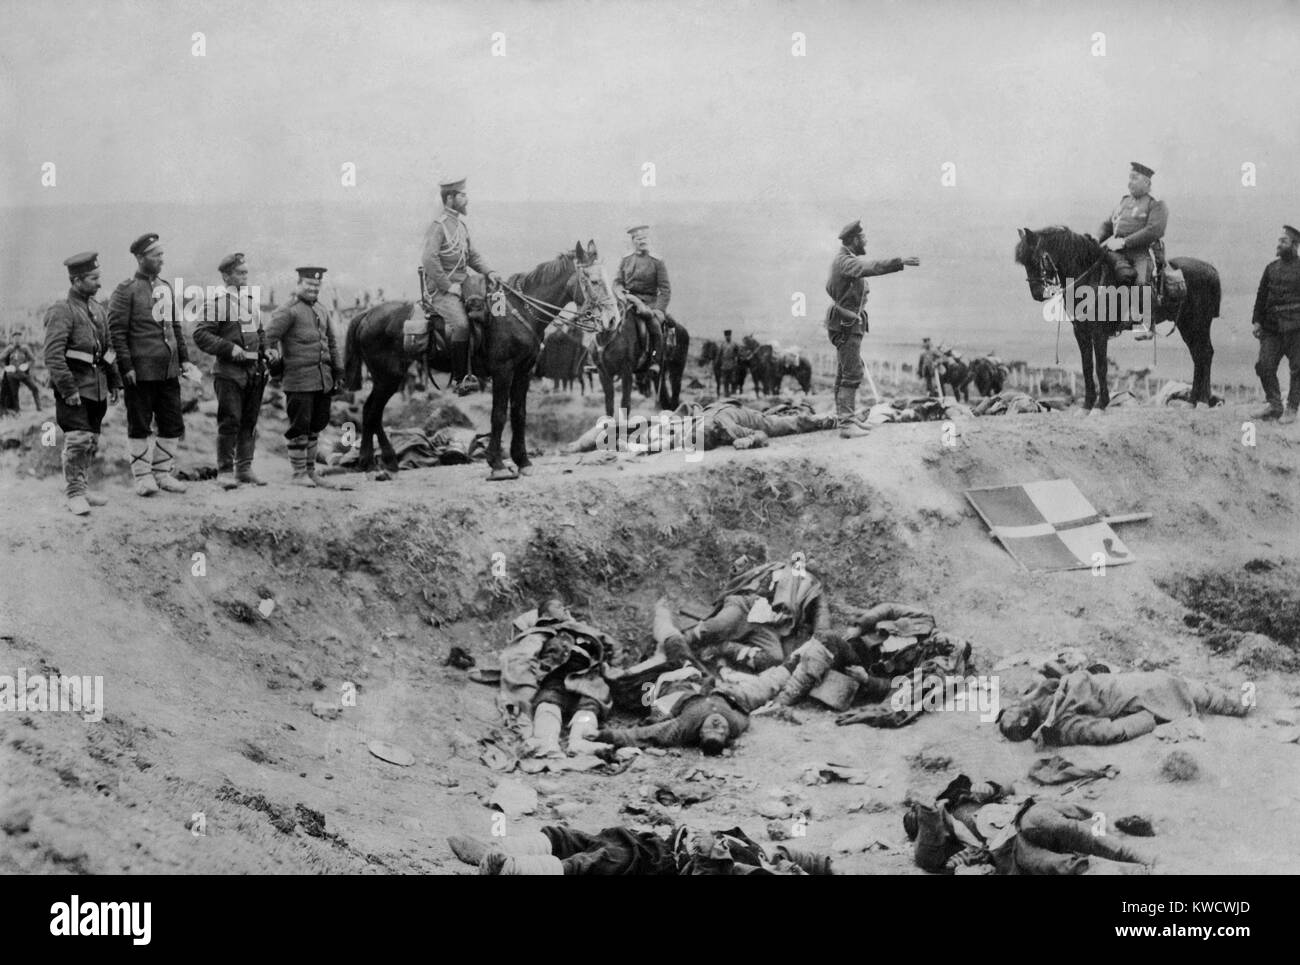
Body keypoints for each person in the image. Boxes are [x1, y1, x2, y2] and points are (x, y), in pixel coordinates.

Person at [904, 774, 1150, 875]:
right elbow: (927, 855)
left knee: (1061, 828)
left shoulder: (963, 798)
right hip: (1010, 848)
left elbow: (1010, 786)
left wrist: (991, 787)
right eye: (918, 822)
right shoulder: (945, 846)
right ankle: (1127, 870)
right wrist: (928, 816)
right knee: (1053, 864)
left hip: (1026, 815)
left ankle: (1138, 857)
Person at [108, 233, 201, 496]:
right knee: (139, 424)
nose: (161, 259)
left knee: (172, 424)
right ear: (140, 258)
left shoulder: (166, 287)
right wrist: (126, 367)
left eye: (162, 254)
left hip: (168, 371)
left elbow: (175, 327)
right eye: (156, 255)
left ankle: (162, 474)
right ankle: (142, 478)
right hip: (140, 373)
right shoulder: (125, 291)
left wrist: (184, 361)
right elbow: (117, 333)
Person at [42, 252, 121, 515]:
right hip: (74, 388)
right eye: (93, 278)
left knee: (91, 440)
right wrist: (68, 389)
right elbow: (53, 355)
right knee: (77, 439)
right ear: (76, 281)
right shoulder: (61, 310)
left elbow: (108, 350)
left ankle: (84, 488)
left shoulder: (98, 310)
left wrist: (115, 381)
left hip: (96, 388)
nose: (99, 283)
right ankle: (74, 493)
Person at [825, 220, 920, 438]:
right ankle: (847, 425)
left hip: (847, 322)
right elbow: (869, 267)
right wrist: (899, 262)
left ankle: (846, 420)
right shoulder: (846, 261)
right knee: (851, 372)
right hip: (846, 324)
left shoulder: (845, 260)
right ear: (855, 240)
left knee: (845, 371)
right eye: (863, 238)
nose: (866, 241)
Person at [448, 823, 831, 875]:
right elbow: (813, 860)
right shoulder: (765, 853)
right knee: (576, 838)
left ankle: (514, 869)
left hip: (665, 868)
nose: (794, 871)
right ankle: (496, 848)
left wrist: (711, 853)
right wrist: (826, 866)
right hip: (661, 843)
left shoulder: (752, 873)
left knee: (602, 860)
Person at [998, 667, 1250, 746]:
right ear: (1023, 721)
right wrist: (1148, 718)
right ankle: (1240, 705)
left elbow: (1047, 682)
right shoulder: (1062, 725)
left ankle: (1230, 697)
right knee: (1178, 689)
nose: (1012, 707)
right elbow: (1109, 732)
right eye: (1012, 713)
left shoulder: (1032, 702)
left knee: (1174, 683)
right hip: (1129, 695)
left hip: (1115, 681)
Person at [497, 599, 622, 757]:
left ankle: (579, 742)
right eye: (557, 606)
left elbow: (611, 645)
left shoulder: (584, 630)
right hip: (557, 674)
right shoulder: (542, 632)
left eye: (564, 606)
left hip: (588, 676)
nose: (564, 608)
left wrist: (612, 668)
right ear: (544, 613)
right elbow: (522, 658)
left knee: (590, 704)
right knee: (549, 700)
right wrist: (524, 691)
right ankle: (546, 741)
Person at [663, 556, 827, 672]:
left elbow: (822, 617)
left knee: (774, 659)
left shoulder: (813, 591)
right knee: (720, 625)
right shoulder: (782, 570)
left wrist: (822, 639)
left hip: (767, 625)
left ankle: (723, 647)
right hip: (745, 606)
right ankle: (677, 645)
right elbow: (748, 580)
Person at [194, 253, 273, 488]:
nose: (244, 277)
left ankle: (244, 469)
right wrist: (229, 348)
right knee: (230, 421)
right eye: (240, 273)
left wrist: (267, 350)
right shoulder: (216, 304)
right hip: (229, 373)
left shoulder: (250, 302)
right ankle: (226, 471)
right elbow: (200, 334)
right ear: (226, 276)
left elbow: (260, 333)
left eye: (246, 272)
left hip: (253, 371)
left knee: (250, 421)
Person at [265, 267, 345, 487]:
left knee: (316, 425)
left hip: (322, 379)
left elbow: (332, 343)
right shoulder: (288, 310)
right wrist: (274, 362)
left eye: (317, 285)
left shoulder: (321, 309)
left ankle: (311, 472)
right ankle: (298, 473)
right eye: (309, 285)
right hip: (299, 380)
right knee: (299, 426)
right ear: (299, 284)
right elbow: (267, 338)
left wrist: (338, 371)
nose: (313, 289)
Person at [421, 178, 502, 393]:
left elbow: (472, 255)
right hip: (441, 289)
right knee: (462, 325)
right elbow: (429, 260)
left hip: (464, 283)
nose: (467, 199)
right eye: (462, 195)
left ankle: (483, 370)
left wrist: (489, 272)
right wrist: (448, 286)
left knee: (490, 314)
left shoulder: (461, 226)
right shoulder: (438, 227)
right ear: (450, 198)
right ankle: (460, 379)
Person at [1098, 162, 1168, 340]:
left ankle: (1144, 325)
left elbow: (1155, 230)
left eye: (1135, 178)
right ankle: (1108, 323)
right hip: (1117, 251)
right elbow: (1108, 224)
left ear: (1146, 183)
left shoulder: (1155, 204)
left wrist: (1125, 242)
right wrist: (1095, 240)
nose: (1130, 182)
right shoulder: (1124, 201)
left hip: (1142, 252)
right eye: (1130, 177)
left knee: (1140, 281)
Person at [1250, 224, 1300, 424]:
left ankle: (1292, 408)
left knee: (1298, 369)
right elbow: (1261, 296)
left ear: (1294, 245)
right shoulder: (1270, 268)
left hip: (1296, 328)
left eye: (1283, 241)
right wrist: (1256, 321)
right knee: (1264, 366)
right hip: (1271, 328)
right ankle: (1274, 405)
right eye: (1279, 241)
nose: (1278, 244)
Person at [613, 225, 671, 378]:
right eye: (639, 239)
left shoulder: (657, 261)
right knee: (608, 321)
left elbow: (665, 290)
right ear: (633, 241)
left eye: (645, 238)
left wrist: (659, 310)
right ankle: (604, 357)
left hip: (649, 303)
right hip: (627, 301)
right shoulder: (626, 260)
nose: (642, 241)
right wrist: (620, 294)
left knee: (654, 326)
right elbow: (617, 282)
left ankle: (654, 360)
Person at [0, 331, 42, 410]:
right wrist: (6, 367)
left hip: (23, 374)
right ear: (12, 339)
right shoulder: (9, 348)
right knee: (14, 393)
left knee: (34, 388)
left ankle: (39, 408)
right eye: (15, 338)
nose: (17, 340)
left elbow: (32, 360)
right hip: (12, 375)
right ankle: (17, 410)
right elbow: (0, 359)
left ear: (21, 339)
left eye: (19, 338)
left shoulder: (25, 348)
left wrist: (26, 365)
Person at [719, 329, 740, 394]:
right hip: (724, 365)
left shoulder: (734, 344)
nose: (728, 337)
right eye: (726, 336)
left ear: (730, 336)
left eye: (729, 335)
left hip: (732, 364)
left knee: (733, 380)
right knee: (725, 381)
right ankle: (726, 393)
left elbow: (738, 353)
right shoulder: (722, 344)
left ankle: (733, 393)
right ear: (725, 336)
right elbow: (720, 354)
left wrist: (736, 360)